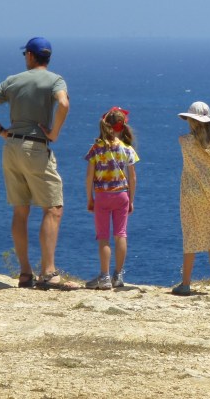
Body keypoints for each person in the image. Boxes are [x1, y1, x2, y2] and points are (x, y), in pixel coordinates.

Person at [0, 37, 69, 290]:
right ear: (47, 57)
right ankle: (48, 273)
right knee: (53, 209)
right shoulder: (55, 80)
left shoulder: (13, 80)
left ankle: (25, 273)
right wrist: (54, 133)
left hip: (11, 146)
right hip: (36, 147)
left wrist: (1, 131)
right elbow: (63, 103)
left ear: (29, 55)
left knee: (20, 210)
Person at [172, 101, 210, 296]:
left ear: (190, 120)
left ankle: (185, 284)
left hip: (191, 192)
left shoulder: (184, 141)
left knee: (190, 234)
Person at [84, 107, 139, 290]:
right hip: (121, 195)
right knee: (120, 234)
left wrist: (89, 198)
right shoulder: (127, 149)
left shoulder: (97, 148)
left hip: (102, 196)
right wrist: (131, 199)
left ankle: (104, 276)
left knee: (104, 238)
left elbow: (89, 176)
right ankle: (118, 275)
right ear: (122, 127)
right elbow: (132, 177)